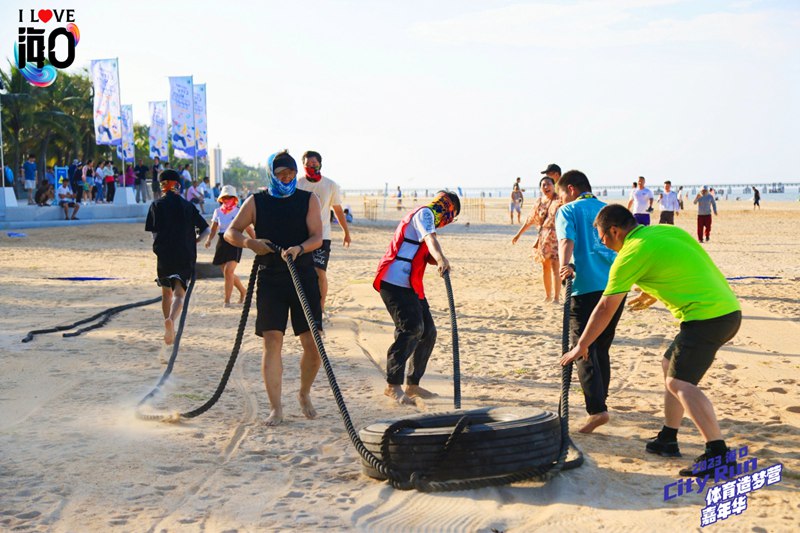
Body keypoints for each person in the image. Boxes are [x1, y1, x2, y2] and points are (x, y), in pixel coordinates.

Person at [561, 204, 742, 477]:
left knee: (679, 382)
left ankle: (718, 454)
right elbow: (680, 266)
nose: (601, 241)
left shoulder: (630, 253)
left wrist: (582, 344)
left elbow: (604, 308)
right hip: (726, 311)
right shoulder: (664, 232)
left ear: (614, 230)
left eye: (602, 235)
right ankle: (668, 438)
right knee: (669, 364)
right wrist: (652, 294)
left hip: (707, 318)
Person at [225, 150, 323, 426]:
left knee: (312, 345)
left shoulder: (308, 199)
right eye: (281, 174)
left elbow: (317, 236)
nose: (287, 178)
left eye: (291, 173)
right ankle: (276, 408)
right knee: (272, 343)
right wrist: (250, 243)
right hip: (271, 279)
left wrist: (300, 248)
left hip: (302, 276)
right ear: (271, 174)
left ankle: (303, 393)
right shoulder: (256, 201)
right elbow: (231, 232)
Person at [373, 190, 460, 406]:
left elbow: (425, 248)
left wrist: (436, 258)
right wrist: (441, 258)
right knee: (410, 329)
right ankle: (393, 385)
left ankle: (412, 384)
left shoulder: (427, 220)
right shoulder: (425, 214)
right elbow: (430, 240)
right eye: (451, 213)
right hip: (394, 281)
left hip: (411, 284)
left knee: (428, 332)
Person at [555, 170, 624, 433]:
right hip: (614, 286)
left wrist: (564, 267)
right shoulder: (607, 209)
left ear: (571, 189)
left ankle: (597, 410)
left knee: (583, 348)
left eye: (562, 194)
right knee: (601, 347)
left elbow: (566, 240)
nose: (561, 200)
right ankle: (601, 404)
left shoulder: (568, 210)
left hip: (584, 287)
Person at [145, 168, 210, 345]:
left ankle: (168, 323)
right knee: (179, 294)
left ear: (162, 186)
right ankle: (172, 320)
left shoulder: (156, 205)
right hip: (185, 253)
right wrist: (196, 240)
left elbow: (153, 233)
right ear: (178, 185)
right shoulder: (188, 206)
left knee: (166, 292)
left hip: (164, 254)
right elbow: (206, 230)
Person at [297, 150, 352, 317]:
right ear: (303, 166)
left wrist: (346, 233)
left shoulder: (330, 185)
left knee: (320, 272)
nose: (312, 167)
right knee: (302, 273)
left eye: (314, 164)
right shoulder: (298, 183)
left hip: (323, 236)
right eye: (308, 165)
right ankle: (304, 306)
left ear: (320, 164)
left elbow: (338, 210)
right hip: (302, 236)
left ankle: (320, 308)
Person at [512, 176, 561, 303]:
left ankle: (556, 297)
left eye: (549, 184)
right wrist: (518, 234)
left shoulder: (560, 200)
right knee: (545, 267)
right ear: (540, 188)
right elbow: (530, 219)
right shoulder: (539, 201)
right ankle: (548, 295)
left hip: (556, 236)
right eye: (543, 185)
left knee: (556, 267)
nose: (546, 187)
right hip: (543, 238)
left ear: (554, 185)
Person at [205, 185, 254, 307]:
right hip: (222, 242)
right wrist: (209, 239)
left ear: (235, 199)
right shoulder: (217, 212)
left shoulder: (239, 211)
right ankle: (243, 291)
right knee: (227, 273)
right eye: (225, 197)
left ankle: (226, 301)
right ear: (221, 199)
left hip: (235, 241)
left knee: (229, 271)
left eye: (230, 197)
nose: (227, 199)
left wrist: (256, 241)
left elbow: (248, 228)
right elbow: (214, 228)